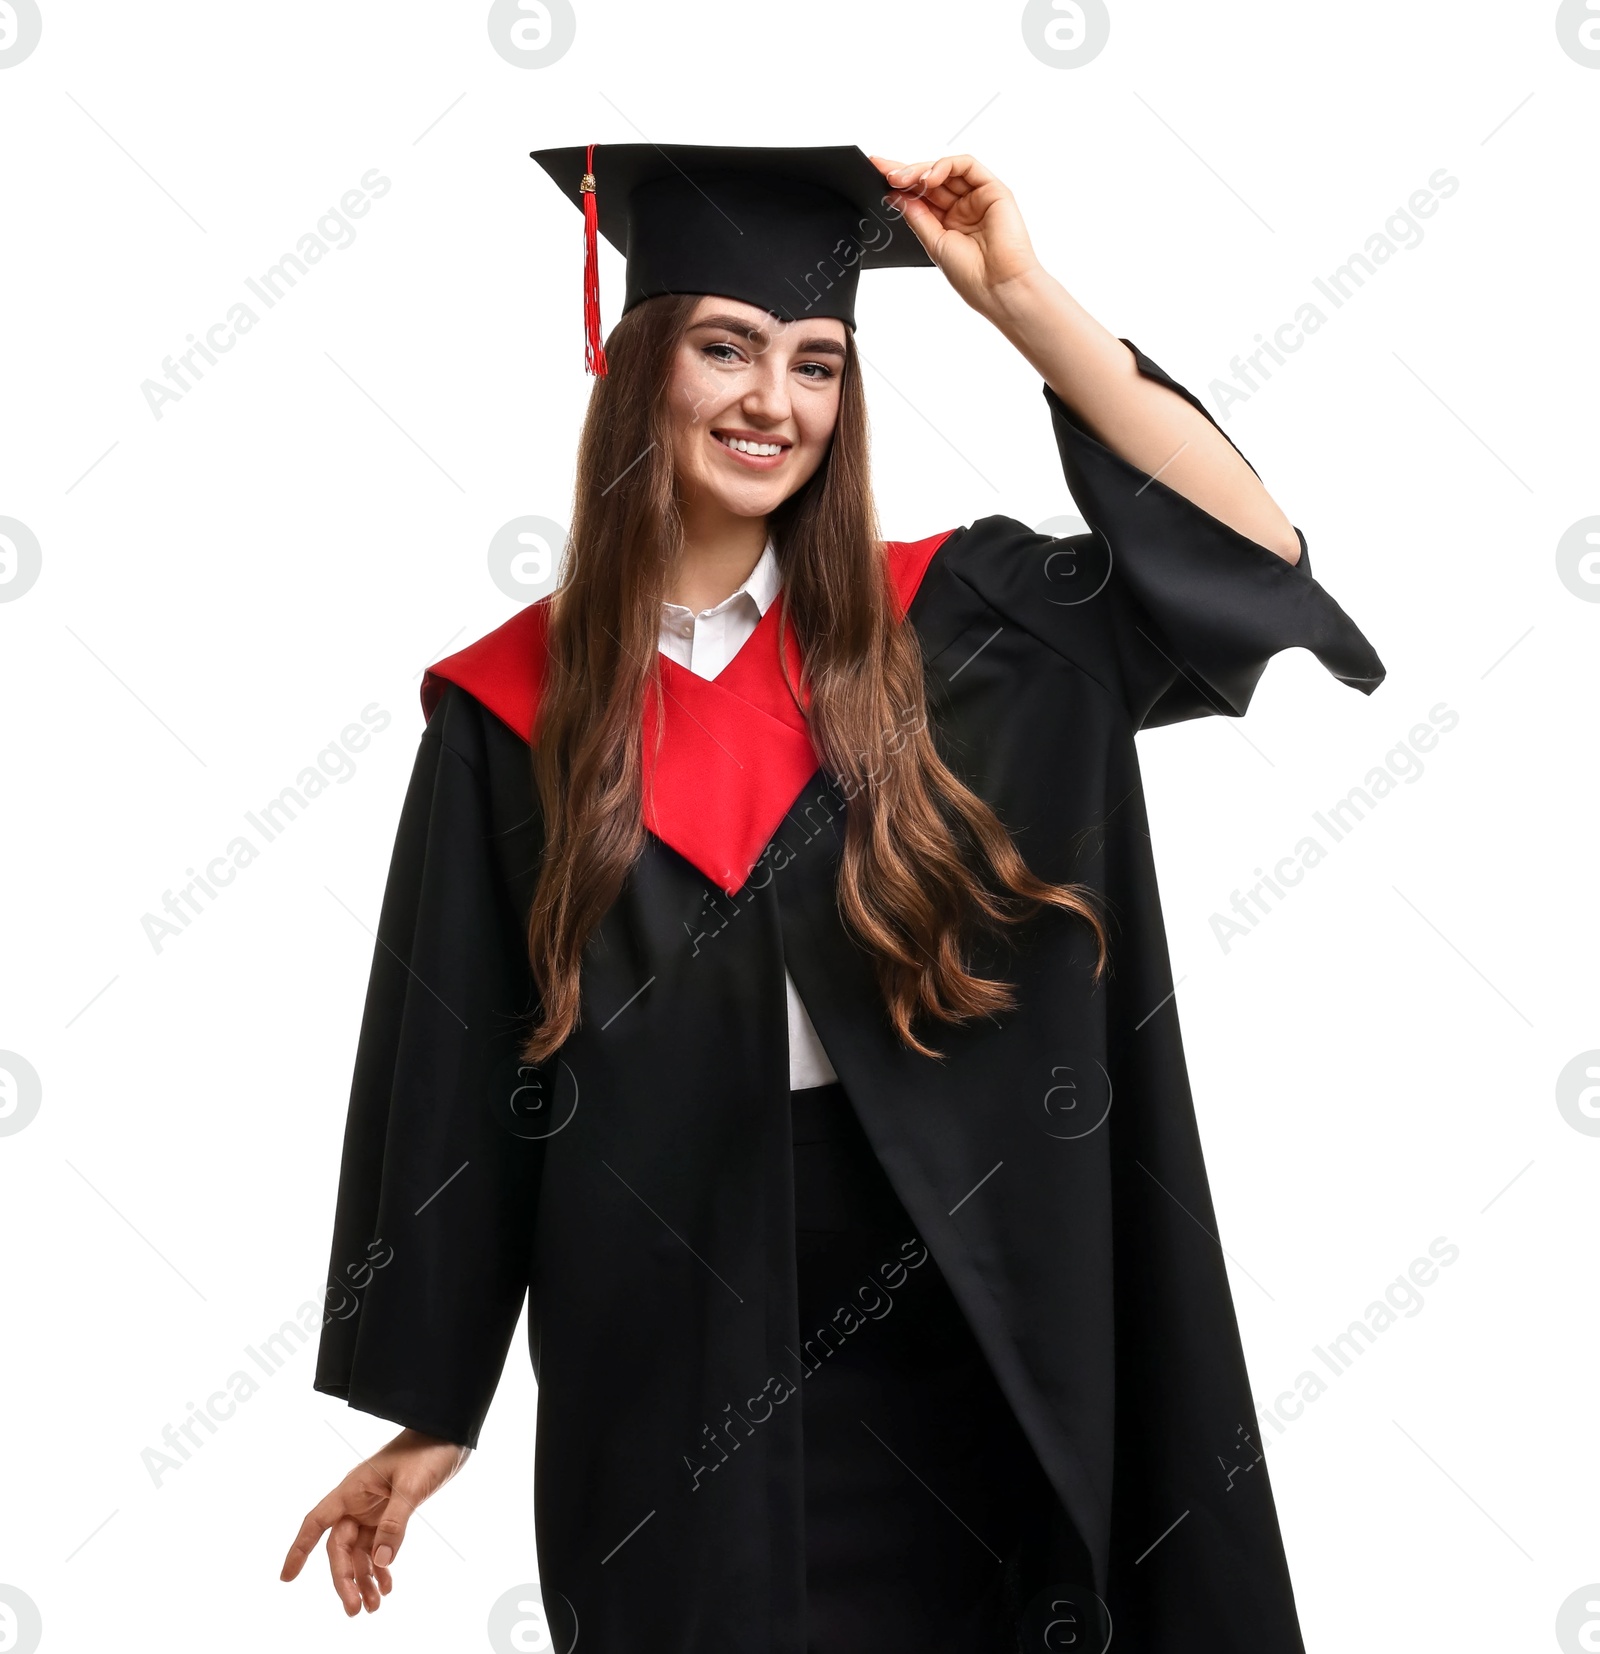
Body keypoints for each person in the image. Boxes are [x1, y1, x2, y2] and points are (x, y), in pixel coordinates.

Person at [279, 143, 1385, 1652]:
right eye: (726, 348)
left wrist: (1018, 298)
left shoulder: (971, 625)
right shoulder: (510, 714)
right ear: (635, 362)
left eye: (818, 363)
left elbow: (1251, 560)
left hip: (976, 1304)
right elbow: (461, 1070)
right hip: (671, 1335)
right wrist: (432, 1403)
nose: (773, 402)